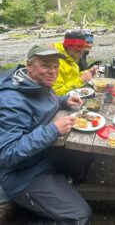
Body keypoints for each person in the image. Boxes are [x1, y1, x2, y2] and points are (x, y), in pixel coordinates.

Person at [0, 44, 92, 225]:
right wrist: (53, 130)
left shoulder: (39, 84)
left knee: (88, 157)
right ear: (29, 66)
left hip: (48, 156)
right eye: (45, 66)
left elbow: (45, 103)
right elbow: (7, 153)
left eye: (56, 66)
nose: (53, 71)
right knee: (80, 217)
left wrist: (63, 101)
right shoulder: (12, 101)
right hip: (24, 174)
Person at [53, 30, 97, 96]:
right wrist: (81, 80)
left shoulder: (71, 58)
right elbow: (56, 93)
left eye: (83, 48)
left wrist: (88, 72)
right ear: (68, 47)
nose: (82, 51)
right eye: (78, 49)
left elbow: (73, 77)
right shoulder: (56, 63)